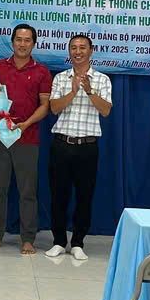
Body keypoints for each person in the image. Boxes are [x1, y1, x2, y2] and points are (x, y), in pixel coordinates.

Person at [0, 23, 52, 255]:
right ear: (12, 42)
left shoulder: (42, 71)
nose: (23, 44)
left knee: (27, 191)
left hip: (27, 137)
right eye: (19, 40)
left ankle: (28, 239)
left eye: (27, 40)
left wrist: (27, 124)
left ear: (34, 44)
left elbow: (45, 105)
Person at [46, 34, 112, 261]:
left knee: (84, 196)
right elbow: (54, 108)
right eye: (73, 48)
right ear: (69, 52)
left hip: (87, 147)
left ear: (91, 51)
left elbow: (106, 110)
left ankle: (77, 243)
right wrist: (73, 91)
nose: (78, 52)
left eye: (82, 47)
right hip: (61, 144)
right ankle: (58, 241)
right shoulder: (60, 78)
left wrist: (90, 91)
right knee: (58, 196)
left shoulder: (102, 79)